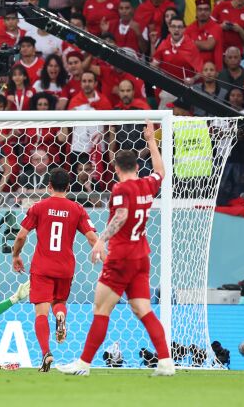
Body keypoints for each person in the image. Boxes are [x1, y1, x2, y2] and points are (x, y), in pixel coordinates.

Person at [57, 123, 174, 376]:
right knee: (143, 309)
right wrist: (151, 141)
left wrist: (101, 240)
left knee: (101, 310)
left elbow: (120, 215)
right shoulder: (147, 185)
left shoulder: (122, 188)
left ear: (117, 168)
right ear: (136, 166)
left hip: (121, 257)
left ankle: (84, 364)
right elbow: (161, 171)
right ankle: (165, 361)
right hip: (142, 256)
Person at [12, 168, 98, 372]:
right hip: (65, 267)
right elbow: (92, 237)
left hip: (42, 266)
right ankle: (60, 315)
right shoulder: (77, 208)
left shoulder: (39, 207)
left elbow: (21, 235)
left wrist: (16, 255)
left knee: (41, 312)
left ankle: (46, 353)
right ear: (68, 187)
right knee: (59, 302)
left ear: (49, 186)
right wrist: (101, 253)